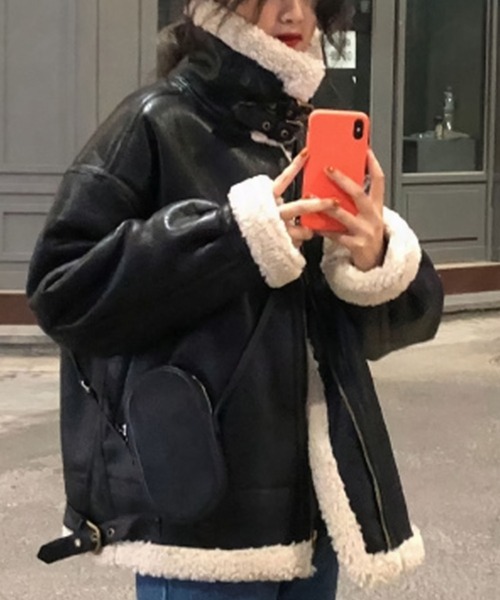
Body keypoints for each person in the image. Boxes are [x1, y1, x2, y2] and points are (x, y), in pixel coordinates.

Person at [26, 1, 444, 599]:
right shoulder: (155, 121)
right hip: (202, 516)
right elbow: (60, 289)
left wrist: (374, 256)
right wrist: (233, 237)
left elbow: (393, 327)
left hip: (312, 514)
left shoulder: (303, 133)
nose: (291, 11)